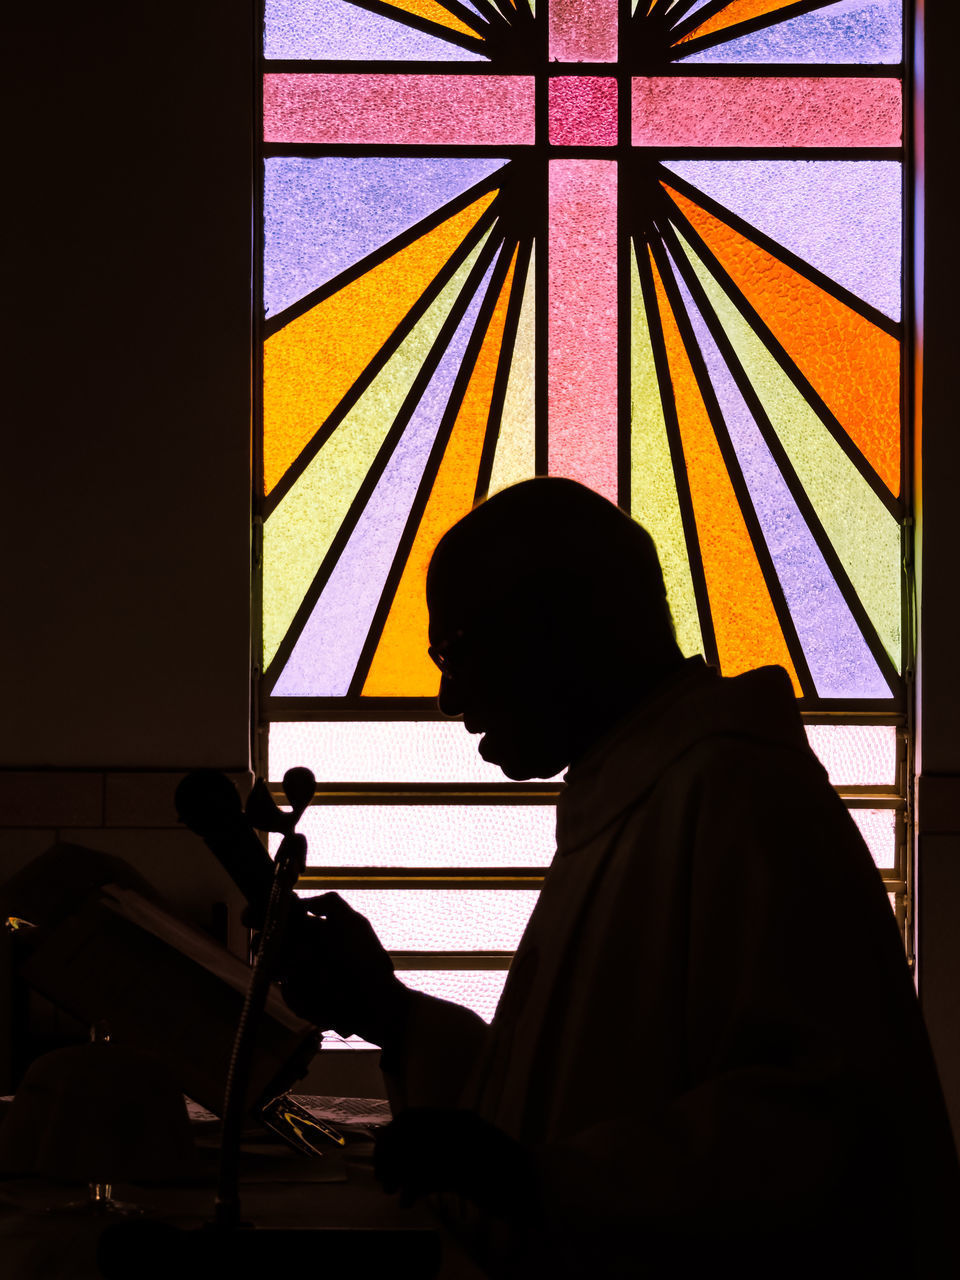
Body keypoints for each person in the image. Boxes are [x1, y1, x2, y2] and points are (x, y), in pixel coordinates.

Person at [282, 478, 960, 1277]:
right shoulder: (636, 787)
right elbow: (560, 1101)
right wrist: (393, 1015)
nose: (447, 696)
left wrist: (538, 1183)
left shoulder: (737, 793)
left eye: (458, 649)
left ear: (559, 628)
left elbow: (826, 1130)